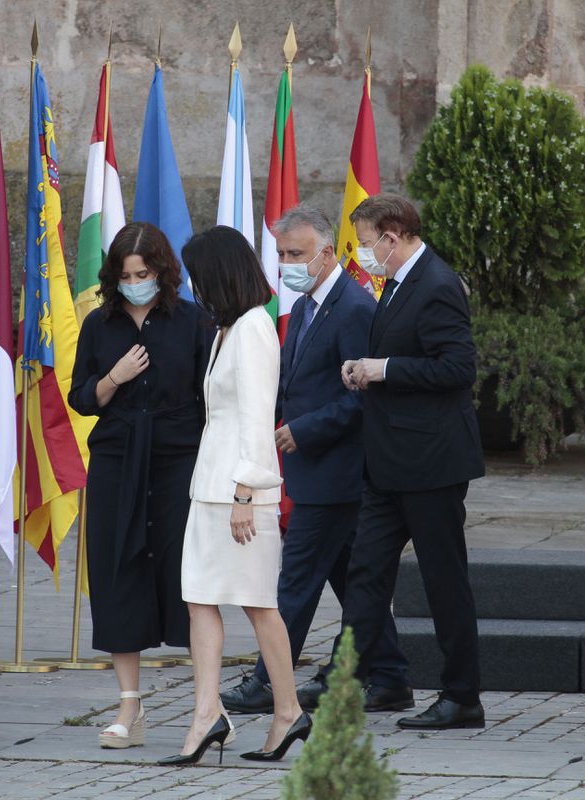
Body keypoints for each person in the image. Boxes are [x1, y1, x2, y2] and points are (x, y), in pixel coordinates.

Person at [220, 206, 411, 716]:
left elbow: (363, 397)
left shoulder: (354, 308)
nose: (286, 264)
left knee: (295, 582)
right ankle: (390, 677)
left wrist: (303, 430)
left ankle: (268, 682)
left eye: (296, 254)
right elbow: (294, 383)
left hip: (338, 471)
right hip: (315, 472)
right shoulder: (307, 305)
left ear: (327, 253)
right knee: (354, 582)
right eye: (281, 254)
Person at [160, 225, 311, 766]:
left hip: (239, 492)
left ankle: (287, 711)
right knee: (200, 598)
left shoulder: (252, 329)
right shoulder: (228, 329)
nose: (194, 287)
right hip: (211, 487)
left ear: (220, 274)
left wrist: (246, 491)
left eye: (199, 276)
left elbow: (256, 414)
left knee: (259, 604)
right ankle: (207, 713)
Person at [339, 193, 486, 731]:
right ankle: (344, 680)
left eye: (365, 242)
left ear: (392, 237)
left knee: (443, 580)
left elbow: (457, 368)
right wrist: (365, 369)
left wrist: (384, 370)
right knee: (365, 572)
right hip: (390, 463)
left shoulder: (437, 283)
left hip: (431, 464)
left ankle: (462, 696)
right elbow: (406, 355)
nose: (362, 253)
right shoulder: (399, 282)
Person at [67, 222, 211, 750]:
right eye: (125, 276)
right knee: (117, 575)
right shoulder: (99, 324)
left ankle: (207, 706)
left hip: (178, 464)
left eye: (142, 274)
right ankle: (130, 707)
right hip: (117, 463)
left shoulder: (193, 321)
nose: (134, 283)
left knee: (188, 579)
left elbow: (210, 397)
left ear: (161, 271)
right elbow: (81, 397)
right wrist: (114, 378)